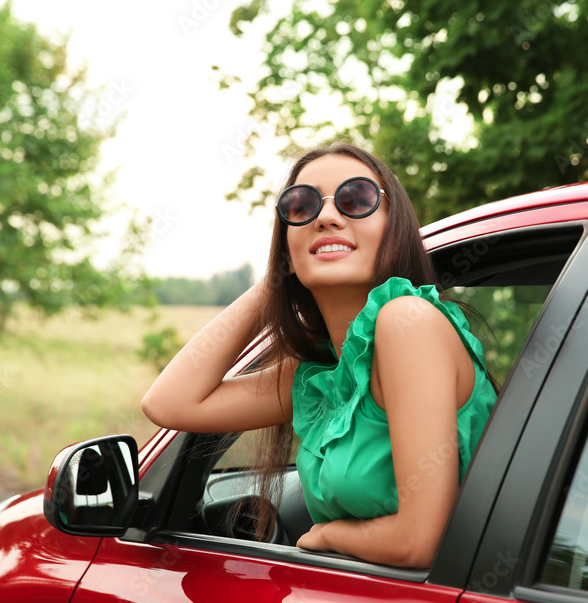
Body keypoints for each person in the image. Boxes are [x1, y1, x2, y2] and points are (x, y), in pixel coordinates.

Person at [141, 142, 497, 569]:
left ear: (393, 226)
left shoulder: (409, 322)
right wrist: (278, 279)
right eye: (301, 206)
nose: (326, 216)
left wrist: (326, 534)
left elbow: (417, 541)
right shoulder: (322, 374)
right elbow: (168, 403)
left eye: (357, 199)